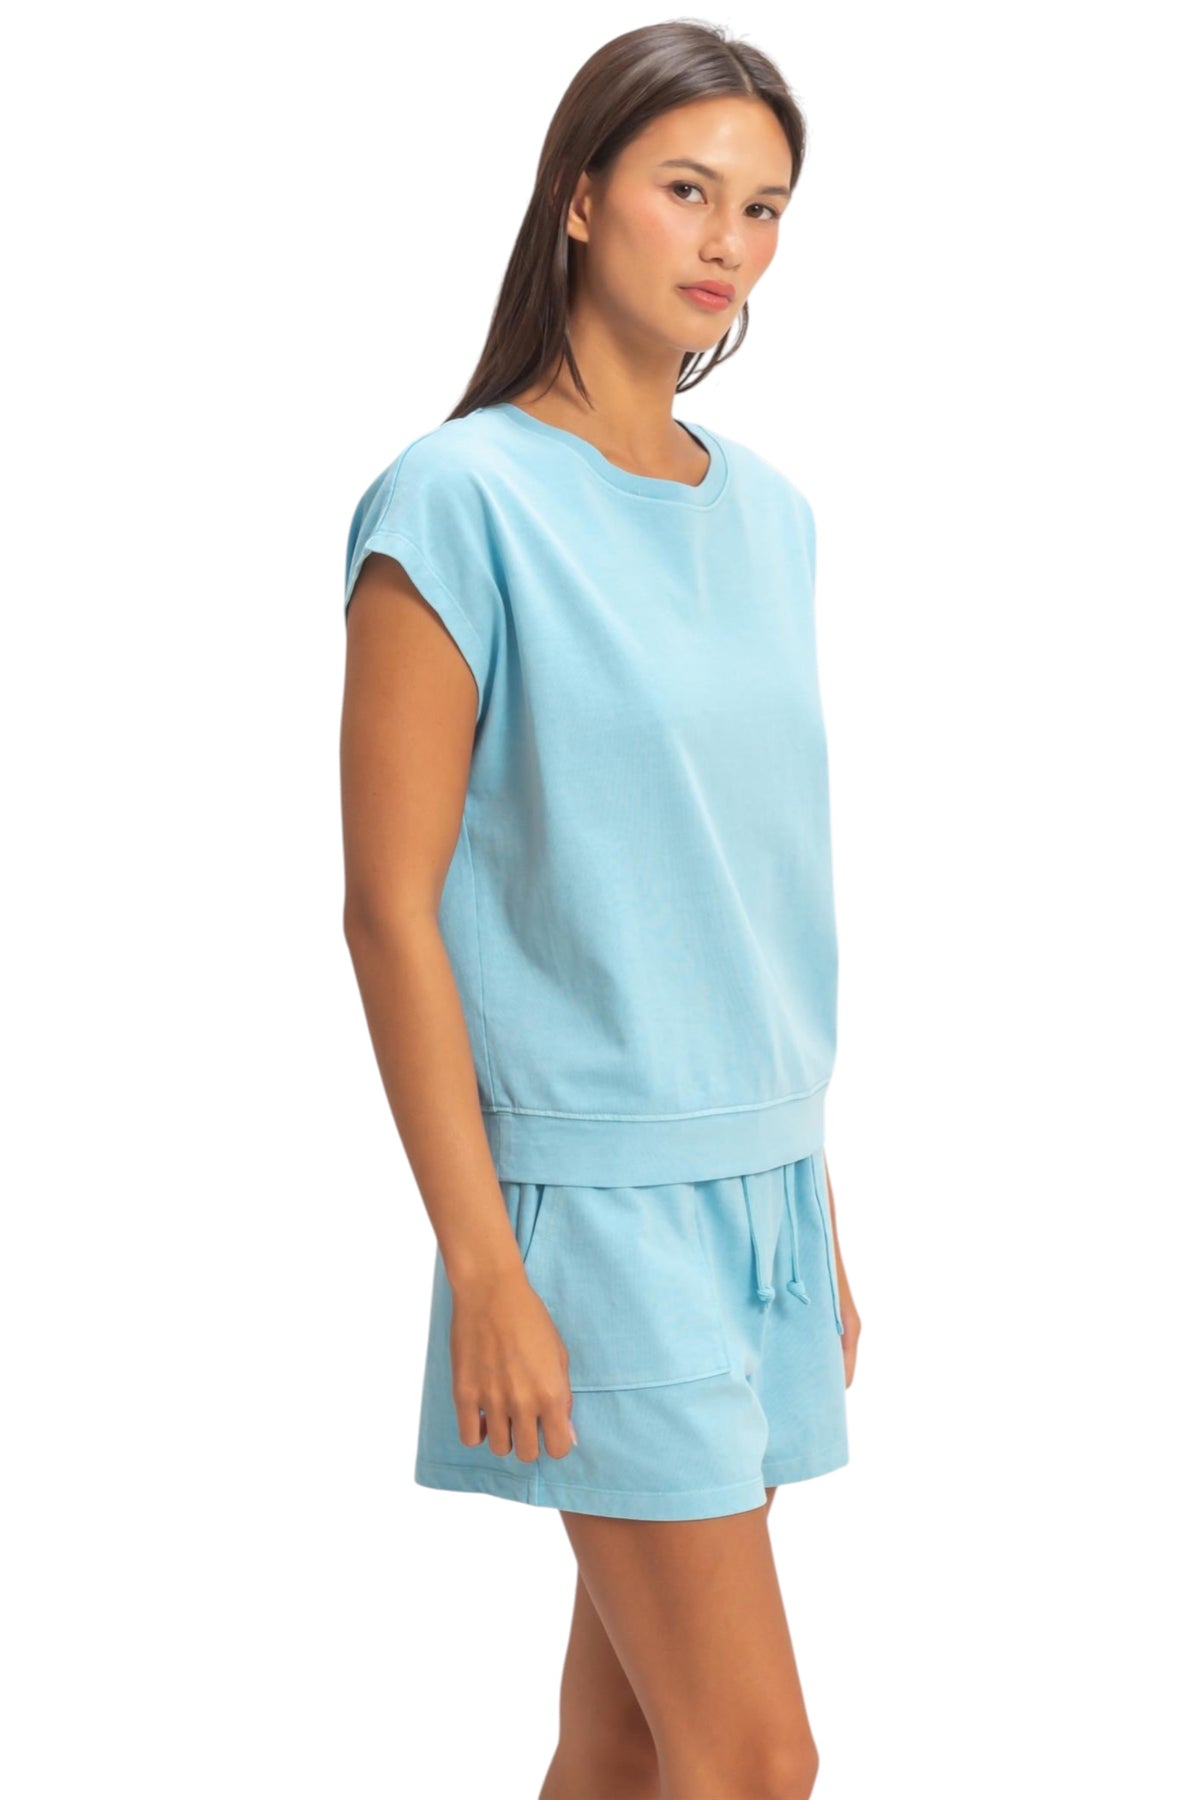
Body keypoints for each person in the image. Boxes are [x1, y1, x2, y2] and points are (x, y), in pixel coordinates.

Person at [340, 20, 861, 1798]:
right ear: (579, 199)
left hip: (761, 1194)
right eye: (687, 190)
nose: (728, 243)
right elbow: (388, 910)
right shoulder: (459, 500)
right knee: (757, 1760)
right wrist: (485, 1263)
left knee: (629, 1743)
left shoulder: (772, 518)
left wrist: (815, 1210)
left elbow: (744, 886)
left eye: (764, 209)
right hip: (596, 1210)